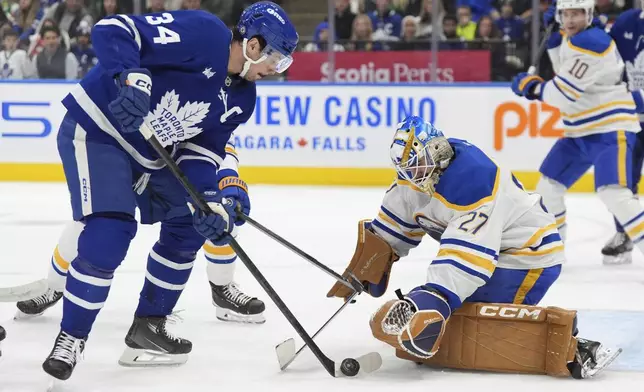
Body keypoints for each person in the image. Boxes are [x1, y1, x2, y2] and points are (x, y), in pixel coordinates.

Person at [34, 1, 297, 381]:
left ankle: (149, 325)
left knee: (192, 222)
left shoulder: (243, 99)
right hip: (99, 133)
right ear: (254, 46)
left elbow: (202, 153)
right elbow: (114, 29)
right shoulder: (205, 34)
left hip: (149, 155)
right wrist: (131, 77)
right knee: (111, 231)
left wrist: (207, 199)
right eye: (277, 59)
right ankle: (71, 337)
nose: (276, 70)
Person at [327, 115, 620, 379]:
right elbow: (394, 228)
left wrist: (436, 297)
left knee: (474, 329)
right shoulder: (413, 180)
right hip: (491, 252)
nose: (414, 176)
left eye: (418, 166)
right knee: (444, 325)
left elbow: (466, 259)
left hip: (527, 256)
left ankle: (573, 349)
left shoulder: (475, 180)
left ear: (438, 151)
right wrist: (367, 266)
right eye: (407, 169)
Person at [511, 0, 644, 260]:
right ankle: (553, 250)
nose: (571, 20)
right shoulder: (578, 38)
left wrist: (532, 87)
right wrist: (553, 42)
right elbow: (564, 65)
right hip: (578, 131)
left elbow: (562, 93)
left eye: (577, 14)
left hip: (609, 129)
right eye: (566, 14)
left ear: (590, 14)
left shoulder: (592, 43)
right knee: (548, 187)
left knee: (614, 194)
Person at [597, 5, 644, 265]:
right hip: (631, 119)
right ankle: (623, 233)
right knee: (623, 181)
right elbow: (603, 53)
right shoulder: (627, 21)